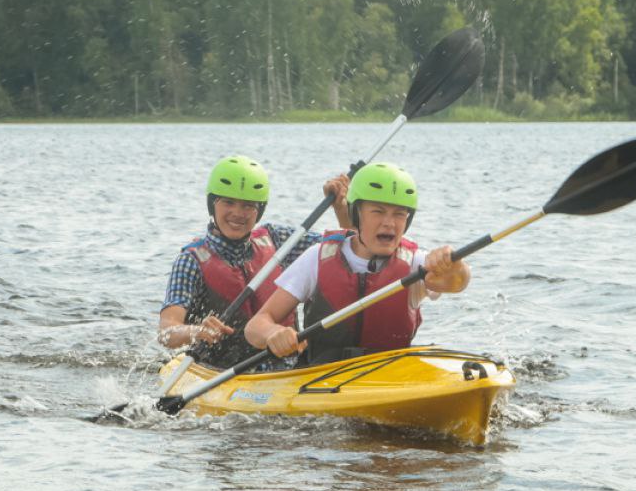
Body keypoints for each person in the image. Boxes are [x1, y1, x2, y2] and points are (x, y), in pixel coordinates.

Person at [244, 162, 470, 366]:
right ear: (356, 213)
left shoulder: (416, 263)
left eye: (399, 214)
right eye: (378, 212)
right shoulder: (317, 258)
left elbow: (457, 283)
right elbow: (255, 326)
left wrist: (454, 264)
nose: (389, 223)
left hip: (389, 377)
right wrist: (273, 333)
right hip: (319, 379)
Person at [158, 154, 351, 369]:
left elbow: (346, 248)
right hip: (221, 371)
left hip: (287, 367)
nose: (238, 213)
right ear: (212, 204)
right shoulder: (191, 261)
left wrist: (341, 208)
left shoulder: (278, 240)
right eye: (228, 202)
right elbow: (166, 331)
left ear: (259, 210)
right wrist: (195, 331)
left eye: (248, 205)